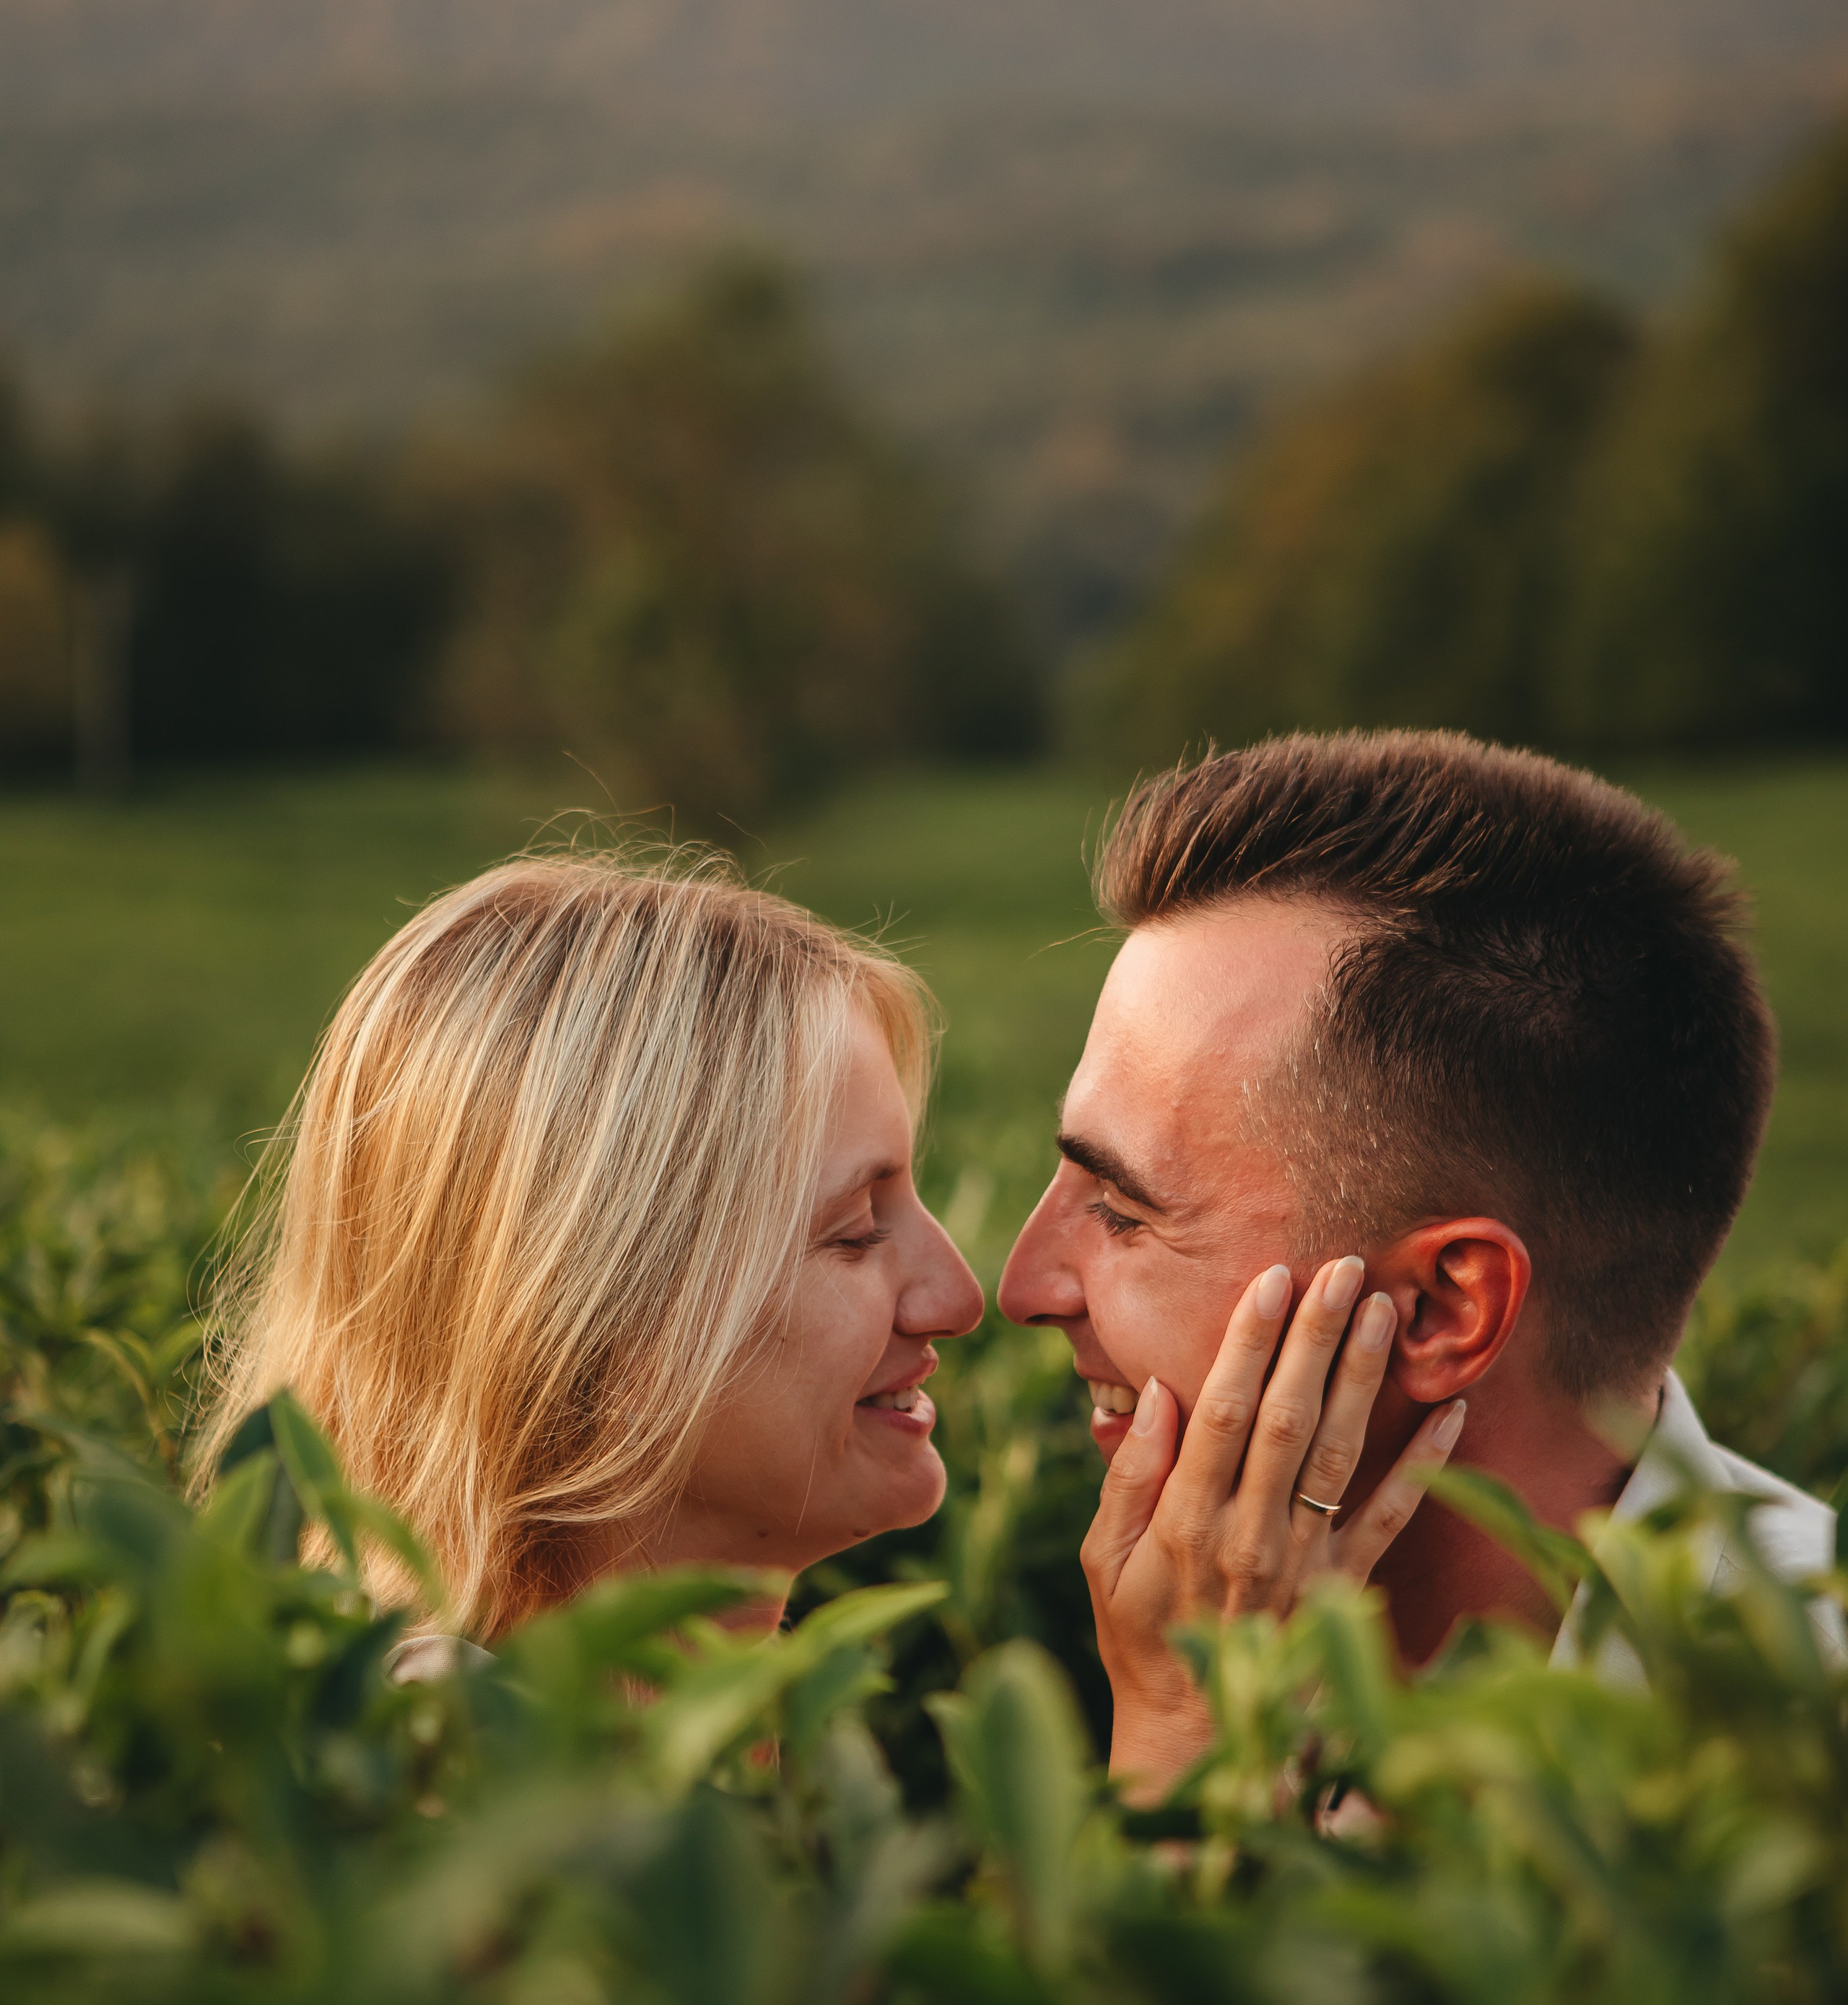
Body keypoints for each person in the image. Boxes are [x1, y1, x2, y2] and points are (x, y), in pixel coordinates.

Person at [195, 843, 1448, 1657]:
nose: (963, 1297)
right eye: (854, 1232)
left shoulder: (675, 1729)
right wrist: (1184, 1736)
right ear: (591, 1310)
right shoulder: (464, 1802)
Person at [998, 731, 1836, 1799]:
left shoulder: (1799, 1800)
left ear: (1440, 1310)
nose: (1022, 1286)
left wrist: (1185, 1749)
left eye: (1121, 1210)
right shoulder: (1169, 1634)